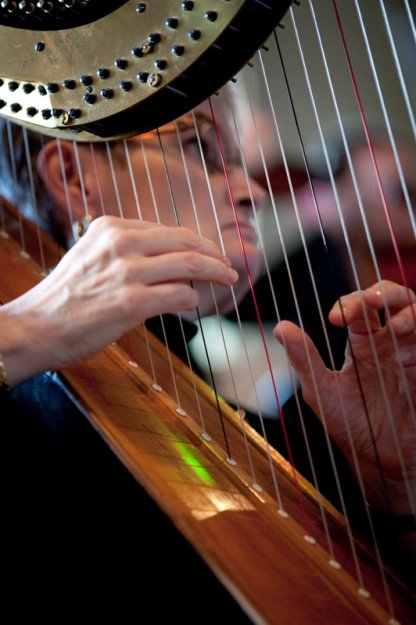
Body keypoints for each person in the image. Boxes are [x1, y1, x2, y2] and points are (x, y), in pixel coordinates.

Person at [0, 100, 414, 615]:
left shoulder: (271, 438)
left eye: (240, 163)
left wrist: (396, 490)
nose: (253, 192)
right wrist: (25, 332)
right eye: (199, 148)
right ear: (73, 178)